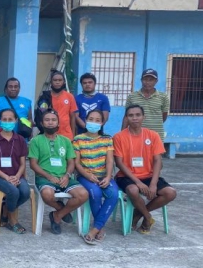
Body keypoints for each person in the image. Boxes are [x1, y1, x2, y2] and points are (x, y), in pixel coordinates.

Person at [114, 105, 177, 234]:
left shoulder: (152, 135)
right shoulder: (118, 137)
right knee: (133, 189)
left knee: (170, 193)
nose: (134, 118)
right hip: (126, 176)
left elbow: (158, 160)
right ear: (126, 118)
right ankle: (147, 217)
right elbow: (119, 163)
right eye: (131, 115)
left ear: (143, 117)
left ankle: (138, 214)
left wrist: (153, 184)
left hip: (149, 176)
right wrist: (137, 182)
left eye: (138, 115)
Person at [29, 110, 88, 235]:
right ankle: (60, 207)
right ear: (42, 123)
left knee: (83, 194)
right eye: (47, 120)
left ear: (58, 123)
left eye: (53, 120)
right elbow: (33, 164)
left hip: (64, 177)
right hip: (45, 177)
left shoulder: (66, 141)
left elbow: (71, 162)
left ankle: (57, 215)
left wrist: (67, 176)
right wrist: (49, 176)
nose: (50, 122)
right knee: (47, 194)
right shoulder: (36, 141)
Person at [73, 110, 118, 244]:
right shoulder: (78, 139)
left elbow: (110, 161)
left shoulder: (107, 139)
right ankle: (99, 228)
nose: (94, 122)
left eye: (97, 120)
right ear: (85, 121)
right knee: (96, 193)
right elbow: (76, 162)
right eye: (91, 119)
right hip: (85, 177)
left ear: (102, 123)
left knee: (113, 195)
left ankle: (96, 228)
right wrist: (87, 175)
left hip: (104, 176)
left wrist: (108, 177)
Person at [0, 108, 30, 234]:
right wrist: (7, 178)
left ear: (16, 121)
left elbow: (22, 164)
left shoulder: (20, 140)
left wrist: (16, 176)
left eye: (10, 119)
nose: (7, 122)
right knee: (14, 192)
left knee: (25, 192)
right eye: (4, 119)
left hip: (17, 175)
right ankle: (13, 220)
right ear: (0, 121)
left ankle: (5, 209)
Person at [122, 69, 169, 141]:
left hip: (156, 135)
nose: (147, 82)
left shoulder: (163, 97)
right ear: (141, 80)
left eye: (151, 80)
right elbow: (126, 117)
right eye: (145, 79)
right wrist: (122, 134)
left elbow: (164, 116)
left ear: (156, 81)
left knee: (157, 153)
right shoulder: (132, 96)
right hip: (136, 135)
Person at [48, 71, 77, 140]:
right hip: (50, 133)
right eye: (55, 80)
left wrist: (73, 135)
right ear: (51, 82)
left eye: (60, 80)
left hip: (66, 134)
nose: (57, 82)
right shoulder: (46, 96)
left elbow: (73, 117)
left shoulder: (69, 96)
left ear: (64, 82)